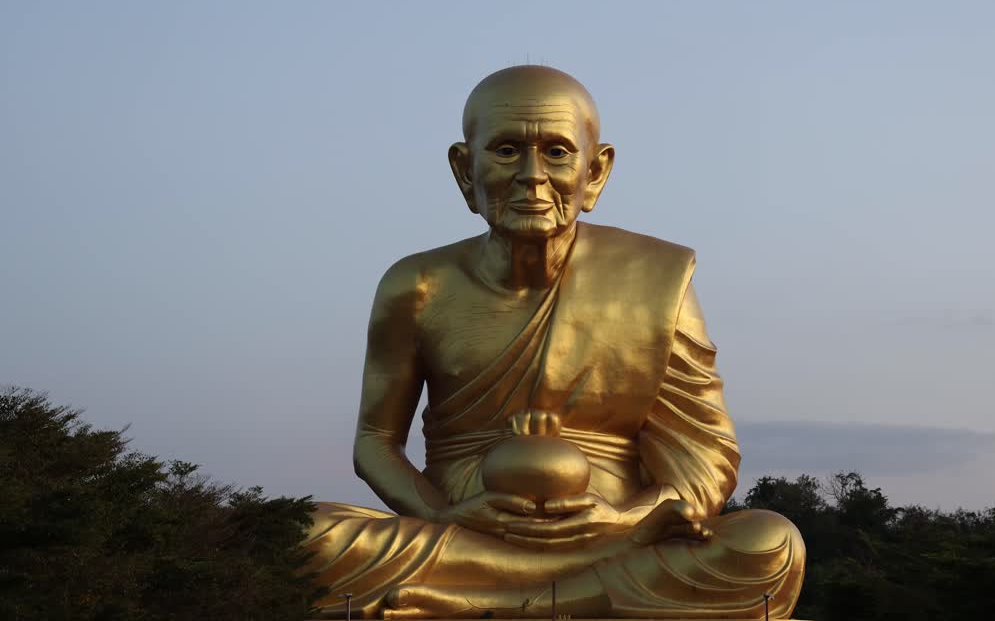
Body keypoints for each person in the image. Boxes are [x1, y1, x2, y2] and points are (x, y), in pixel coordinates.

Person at [304, 65, 805, 619]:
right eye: (506, 150)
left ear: (596, 171)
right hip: (469, 534)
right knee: (304, 535)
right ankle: (548, 599)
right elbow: (376, 440)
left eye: (558, 152)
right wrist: (449, 516)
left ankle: (485, 604)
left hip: (614, 533)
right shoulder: (417, 285)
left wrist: (628, 520)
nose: (533, 176)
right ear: (463, 169)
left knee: (771, 543)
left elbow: (704, 454)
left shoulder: (655, 278)